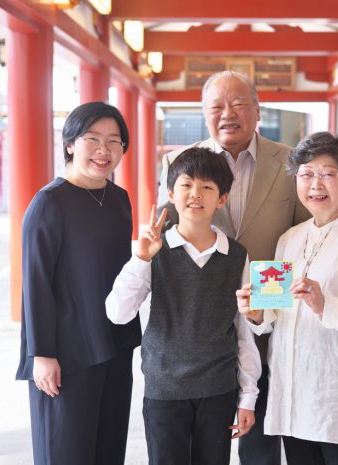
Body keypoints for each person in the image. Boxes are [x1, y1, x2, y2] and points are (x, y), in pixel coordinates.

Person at [156, 70, 310, 465]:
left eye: (239, 103)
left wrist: (265, 308)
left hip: (267, 308)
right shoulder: (180, 162)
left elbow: (299, 237)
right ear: (204, 114)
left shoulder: (289, 160)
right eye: (217, 106)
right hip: (202, 324)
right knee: (205, 441)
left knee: (259, 433)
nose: (228, 113)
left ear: (257, 110)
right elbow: (165, 241)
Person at [237, 132, 338, 465]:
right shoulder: (289, 239)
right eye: (306, 174)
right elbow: (276, 311)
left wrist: (327, 306)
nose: (315, 184)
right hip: (294, 397)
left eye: (327, 174)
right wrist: (257, 314)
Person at [106, 147, 261, 465]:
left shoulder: (237, 255)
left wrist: (248, 397)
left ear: (221, 198)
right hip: (165, 389)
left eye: (207, 187)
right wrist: (141, 259)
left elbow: (244, 331)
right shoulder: (153, 249)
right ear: (171, 193)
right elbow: (117, 313)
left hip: (218, 389)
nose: (196, 194)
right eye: (187, 185)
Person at [15, 101, 141, 465]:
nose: (104, 151)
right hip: (66, 352)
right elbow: (35, 284)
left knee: (108, 447)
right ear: (70, 143)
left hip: (115, 341)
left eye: (115, 142)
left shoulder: (119, 199)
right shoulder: (49, 203)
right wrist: (41, 354)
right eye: (93, 139)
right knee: (65, 451)